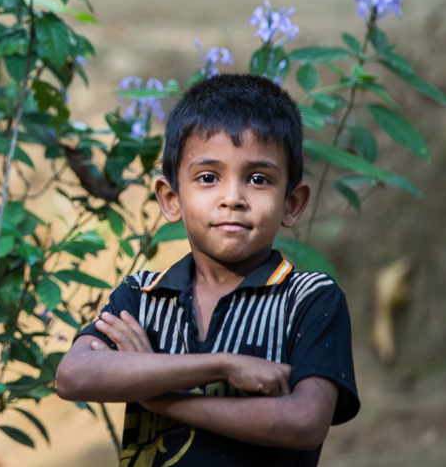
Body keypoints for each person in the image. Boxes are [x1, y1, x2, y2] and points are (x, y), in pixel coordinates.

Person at [53, 74, 359, 466]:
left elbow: (304, 422)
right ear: (171, 198)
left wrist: (161, 398)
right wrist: (223, 366)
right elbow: (73, 376)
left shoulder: (309, 299)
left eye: (259, 179)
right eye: (208, 178)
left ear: (292, 203)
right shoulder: (142, 298)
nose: (233, 198)